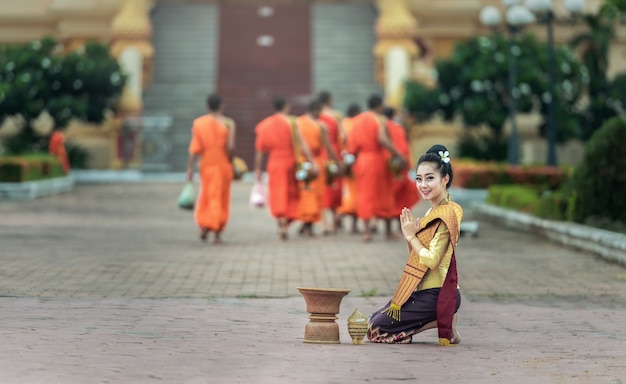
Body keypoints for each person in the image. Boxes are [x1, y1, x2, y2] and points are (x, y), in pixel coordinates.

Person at [367, 144, 463, 345]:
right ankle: (444, 321)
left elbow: (432, 260)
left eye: (430, 178)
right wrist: (408, 236)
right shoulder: (432, 213)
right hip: (424, 291)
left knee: (378, 330)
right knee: (373, 322)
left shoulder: (448, 213)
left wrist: (412, 237)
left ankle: (441, 319)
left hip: (439, 294)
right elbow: (416, 258)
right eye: (419, 179)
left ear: (445, 179)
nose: (423, 185)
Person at [254, 96, 317, 240]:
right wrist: (312, 161)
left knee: (277, 192)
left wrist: (258, 168)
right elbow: (303, 144)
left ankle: (280, 220)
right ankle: (286, 220)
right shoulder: (292, 123)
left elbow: (259, 149)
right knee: (291, 192)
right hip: (291, 163)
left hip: (274, 163)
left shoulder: (265, 125)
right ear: (286, 106)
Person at [348, 94, 406, 242]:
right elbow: (382, 140)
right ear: (379, 105)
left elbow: (351, 145)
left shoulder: (358, 120)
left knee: (364, 194)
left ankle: (366, 231)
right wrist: (397, 153)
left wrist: (350, 163)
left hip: (362, 161)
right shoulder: (378, 119)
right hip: (378, 160)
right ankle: (388, 231)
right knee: (384, 192)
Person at [186, 94, 235, 243]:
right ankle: (216, 230)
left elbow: (195, 148)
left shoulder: (200, 123)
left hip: (206, 163)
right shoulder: (228, 123)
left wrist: (189, 168)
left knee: (208, 195)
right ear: (222, 106)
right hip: (223, 163)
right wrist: (232, 162)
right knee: (220, 197)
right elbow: (231, 147)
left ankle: (206, 224)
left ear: (207, 107)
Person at [296, 100, 339, 236]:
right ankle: (308, 223)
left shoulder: (298, 122)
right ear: (316, 110)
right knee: (314, 194)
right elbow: (328, 146)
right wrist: (337, 161)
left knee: (305, 192)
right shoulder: (321, 126)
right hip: (316, 162)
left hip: (301, 162)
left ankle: (306, 222)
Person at [383, 106, 420, 232]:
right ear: (393, 115)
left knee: (388, 195)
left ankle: (388, 227)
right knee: (398, 197)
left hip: (386, 164)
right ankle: (399, 226)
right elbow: (403, 147)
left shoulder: (382, 126)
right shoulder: (396, 128)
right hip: (398, 164)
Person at [318, 91, 344, 234]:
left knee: (323, 188)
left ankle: (324, 223)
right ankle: (335, 218)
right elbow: (344, 136)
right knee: (335, 187)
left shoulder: (315, 117)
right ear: (330, 100)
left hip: (321, 153)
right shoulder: (336, 115)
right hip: (334, 151)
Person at [337, 103, 362, 234]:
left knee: (347, 191)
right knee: (355, 192)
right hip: (355, 160)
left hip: (345, 158)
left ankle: (340, 215)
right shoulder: (357, 124)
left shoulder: (343, 123)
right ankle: (351, 222)